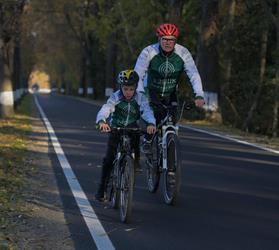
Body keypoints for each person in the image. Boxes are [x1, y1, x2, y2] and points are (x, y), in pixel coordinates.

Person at [95, 69, 156, 201]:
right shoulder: (115, 97)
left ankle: (135, 162)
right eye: (125, 88)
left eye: (131, 89)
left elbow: (147, 111)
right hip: (116, 127)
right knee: (109, 159)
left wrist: (151, 123)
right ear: (120, 87)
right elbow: (106, 109)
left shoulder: (141, 98)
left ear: (135, 88)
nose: (128, 92)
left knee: (136, 136)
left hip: (132, 126)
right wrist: (102, 121)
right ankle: (102, 189)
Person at [134, 23, 205, 125]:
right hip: (151, 91)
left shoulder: (183, 52)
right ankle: (148, 139)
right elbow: (138, 75)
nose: (168, 43)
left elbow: (193, 74)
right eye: (165, 39)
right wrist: (140, 94)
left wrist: (199, 95)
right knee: (153, 123)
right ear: (159, 39)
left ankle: (170, 138)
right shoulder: (148, 51)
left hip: (171, 93)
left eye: (171, 40)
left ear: (175, 41)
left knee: (172, 122)